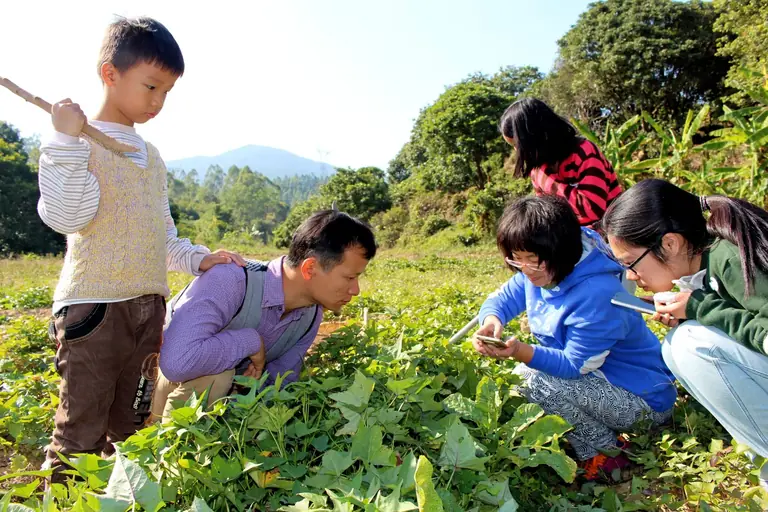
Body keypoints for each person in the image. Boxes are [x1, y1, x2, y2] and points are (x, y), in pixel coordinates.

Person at [38, 17, 243, 480]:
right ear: (110, 74)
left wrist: (198, 258)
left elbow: (161, 235)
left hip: (148, 309)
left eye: (166, 92)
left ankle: (117, 499)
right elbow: (66, 216)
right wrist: (65, 138)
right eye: (151, 87)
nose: (158, 102)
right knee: (80, 432)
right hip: (94, 311)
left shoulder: (151, 157)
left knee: (132, 428)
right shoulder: (75, 143)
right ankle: (67, 500)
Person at [473, 195, 676, 480]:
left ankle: (606, 455)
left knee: (533, 379)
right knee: (528, 375)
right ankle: (597, 442)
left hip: (642, 399)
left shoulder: (597, 291)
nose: (525, 270)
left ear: (560, 250)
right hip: (601, 383)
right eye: (516, 261)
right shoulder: (538, 266)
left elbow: (574, 365)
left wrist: (519, 350)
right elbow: (502, 299)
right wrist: (491, 321)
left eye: (532, 261)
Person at [602, 178, 768, 488]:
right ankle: (757, 448)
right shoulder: (705, 264)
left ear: (670, 243)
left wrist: (701, 309)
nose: (631, 276)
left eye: (631, 263)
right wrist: (693, 314)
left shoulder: (730, 259)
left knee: (689, 344)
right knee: (680, 342)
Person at [152, 210, 377, 418]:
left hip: (221, 406)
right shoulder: (231, 280)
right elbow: (177, 363)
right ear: (310, 268)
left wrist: (246, 392)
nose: (355, 290)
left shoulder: (310, 315)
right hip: (158, 385)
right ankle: (169, 454)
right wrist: (250, 341)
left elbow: (280, 386)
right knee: (217, 376)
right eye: (349, 277)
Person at [499, 98, 622, 227]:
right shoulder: (537, 169)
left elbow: (592, 211)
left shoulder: (583, 152)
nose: (517, 150)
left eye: (517, 145)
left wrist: (547, 178)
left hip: (611, 235)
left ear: (534, 137)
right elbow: (547, 214)